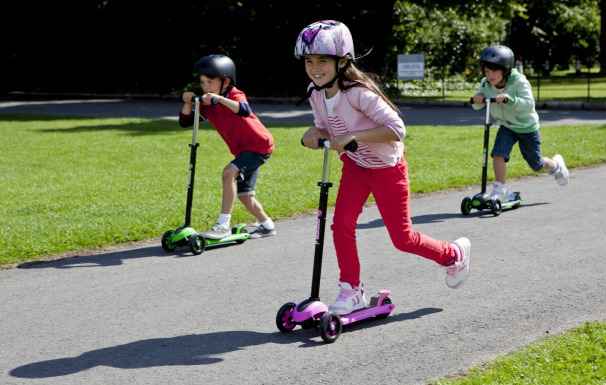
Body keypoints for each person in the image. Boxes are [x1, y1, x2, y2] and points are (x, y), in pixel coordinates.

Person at [297, 20, 471, 315]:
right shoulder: (316, 93)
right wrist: (315, 135)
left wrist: (355, 137)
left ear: (342, 61)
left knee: (402, 239)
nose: (315, 67)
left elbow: (397, 128)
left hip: (387, 169)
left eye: (322, 60)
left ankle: (452, 254)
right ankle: (351, 289)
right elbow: (328, 130)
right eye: (309, 60)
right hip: (355, 166)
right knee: (341, 225)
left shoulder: (358, 93)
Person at [179, 54, 276, 239]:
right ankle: (267, 225)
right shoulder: (208, 105)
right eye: (202, 82)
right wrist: (187, 102)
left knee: (228, 173)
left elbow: (244, 109)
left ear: (225, 81)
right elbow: (186, 122)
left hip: (258, 145)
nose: (205, 86)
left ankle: (223, 226)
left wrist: (219, 99)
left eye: (209, 82)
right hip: (244, 150)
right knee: (245, 195)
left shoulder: (234, 94)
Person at [471, 45, 570, 202]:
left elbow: (528, 104)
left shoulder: (519, 82)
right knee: (498, 154)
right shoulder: (485, 84)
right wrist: (477, 99)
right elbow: (478, 104)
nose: (490, 75)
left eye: (494, 70)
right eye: (487, 71)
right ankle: (500, 188)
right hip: (507, 126)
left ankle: (556, 165)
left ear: (506, 70)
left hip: (527, 127)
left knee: (536, 164)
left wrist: (510, 99)